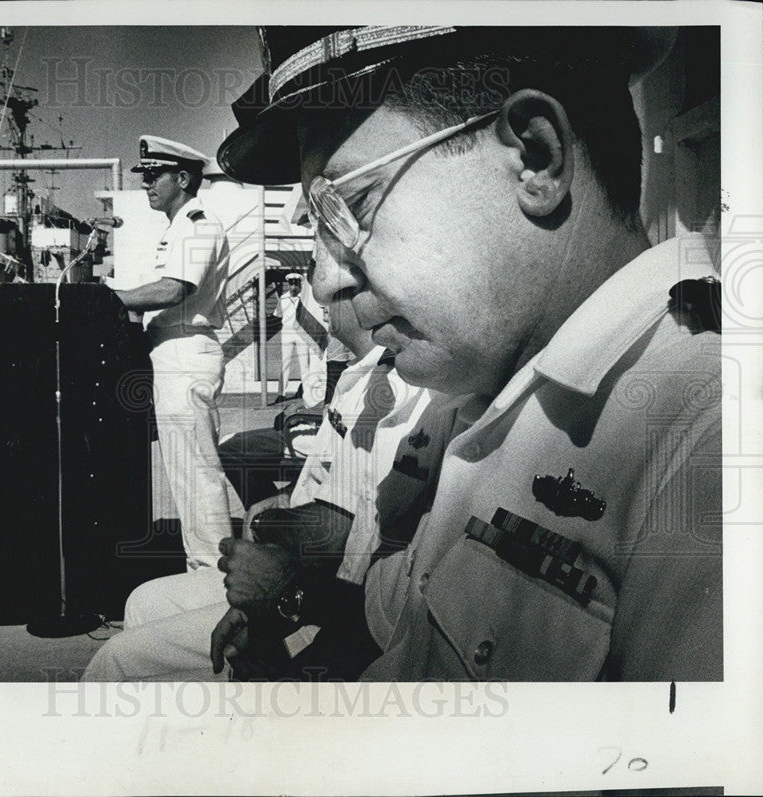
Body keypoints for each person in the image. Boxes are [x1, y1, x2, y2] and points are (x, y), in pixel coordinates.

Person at [209, 26, 722, 682]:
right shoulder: (483, 398)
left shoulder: (705, 443)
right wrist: (287, 602)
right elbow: (392, 620)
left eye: (349, 204)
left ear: (536, 158)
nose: (328, 279)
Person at [82, 296, 432, 680]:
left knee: (116, 660)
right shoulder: (362, 376)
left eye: (350, 279)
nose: (322, 293)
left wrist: (267, 536)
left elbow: (344, 530)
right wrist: (281, 508)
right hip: (316, 586)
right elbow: (339, 496)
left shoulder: (398, 391)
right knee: (143, 602)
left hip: (325, 604)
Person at [106, 135, 232, 570]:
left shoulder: (199, 222)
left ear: (182, 177)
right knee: (184, 471)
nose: (146, 183)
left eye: (154, 174)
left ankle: (214, 574)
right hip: (170, 352)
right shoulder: (179, 225)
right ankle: (202, 564)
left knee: (196, 471)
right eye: (143, 175)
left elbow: (174, 288)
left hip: (185, 351)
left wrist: (109, 299)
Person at [273, 272, 323, 401]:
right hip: (287, 332)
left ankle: (306, 393)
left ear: (300, 285)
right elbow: (278, 314)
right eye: (291, 284)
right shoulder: (283, 299)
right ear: (288, 285)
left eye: (296, 284)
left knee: (303, 364)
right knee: (285, 363)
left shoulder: (305, 299)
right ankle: (281, 394)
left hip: (301, 333)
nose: (293, 287)